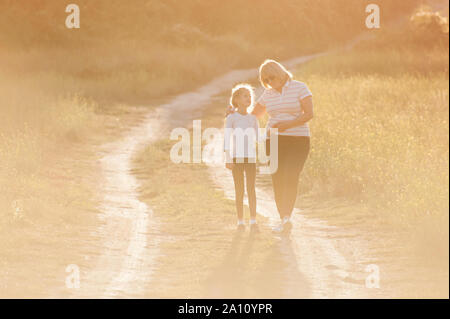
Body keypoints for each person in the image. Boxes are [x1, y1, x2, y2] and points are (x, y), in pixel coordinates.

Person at [227, 59, 314, 233]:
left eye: (271, 78)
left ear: (280, 73)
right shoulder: (268, 94)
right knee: (278, 178)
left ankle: (287, 215)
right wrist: (234, 112)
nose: (269, 83)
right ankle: (284, 219)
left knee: (291, 175)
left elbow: (309, 114)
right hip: (273, 141)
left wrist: (287, 125)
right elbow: (252, 116)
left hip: (298, 139)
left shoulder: (300, 87)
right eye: (265, 80)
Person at [224, 84, 259, 232]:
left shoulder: (253, 118)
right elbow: (226, 139)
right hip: (237, 158)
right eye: (245, 96)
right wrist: (228, 158)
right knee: (239, 190)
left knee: (251, 189)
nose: (249, 98)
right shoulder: (231, 118)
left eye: (250, 96)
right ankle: (240, 222)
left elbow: (258, 138)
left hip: (250, 158)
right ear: (236, 99)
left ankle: (253, 221)